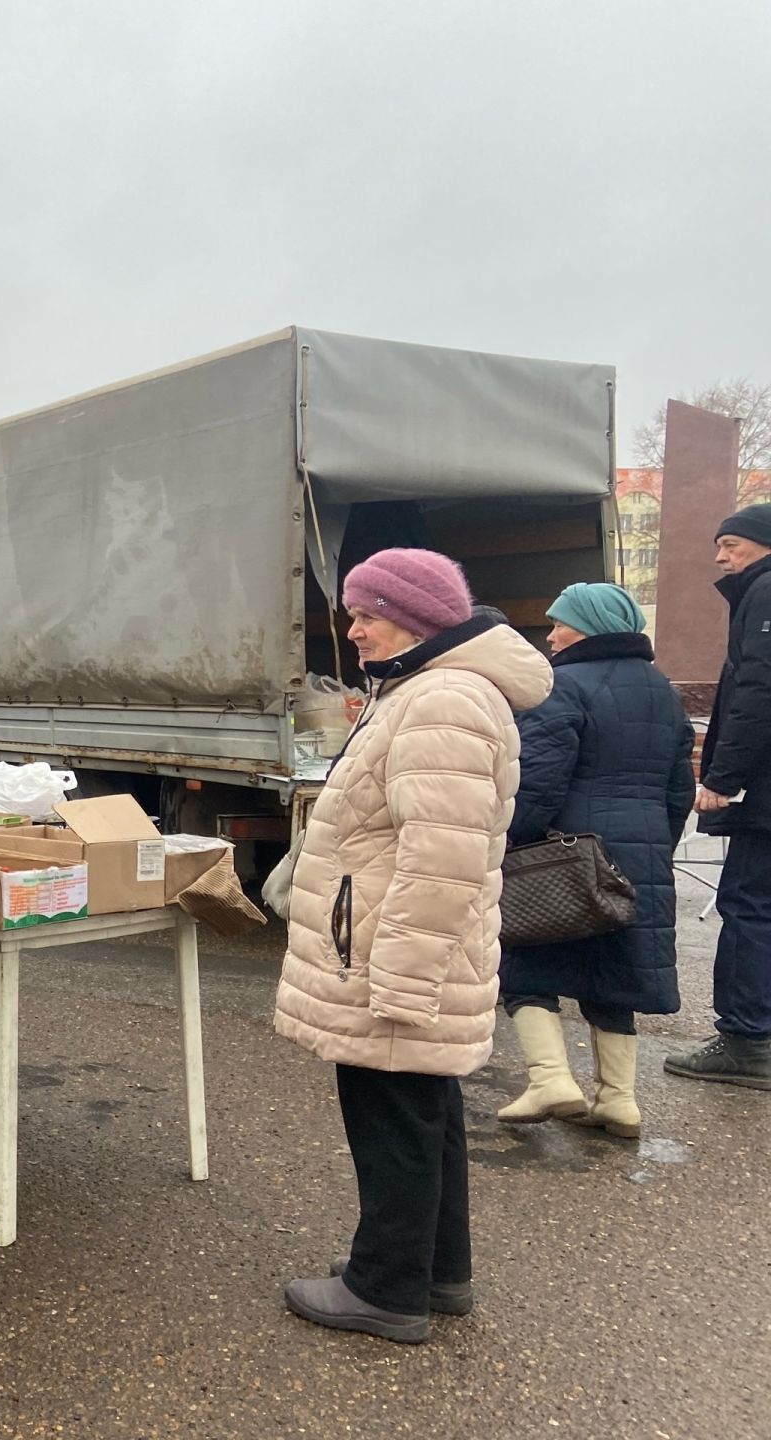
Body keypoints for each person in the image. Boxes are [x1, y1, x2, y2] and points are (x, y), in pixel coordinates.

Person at [275, 548, 553, 1343]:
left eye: (367, 613)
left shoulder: (443, 700)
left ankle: (384, 1288)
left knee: (392, 1113)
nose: (353, 629)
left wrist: (399, 976)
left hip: (396, 955)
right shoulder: (429, 690)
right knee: (421, 1106)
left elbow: (444, 859)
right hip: (398, 947)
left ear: (419, 618)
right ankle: (435, 1272)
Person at [495, 584, 694, 1137]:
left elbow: (538, 781)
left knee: (524, 959)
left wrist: (513, 840)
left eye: (560, 624)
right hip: (640, 852)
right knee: (614, 973)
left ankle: (550, 1079)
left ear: (590, 626)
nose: (551, 635)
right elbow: (680, 789)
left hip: (567, 853)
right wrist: (656, 846)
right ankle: (619, 1101)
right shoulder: (663, 690)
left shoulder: (563, 685)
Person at [665, 502, 771, 1090]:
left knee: (750, 907)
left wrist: (723, 777)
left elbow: (760, 690)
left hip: (765, 793)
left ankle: (746, 1040)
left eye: (731, 545)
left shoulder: (765, 593)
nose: (720, 558)